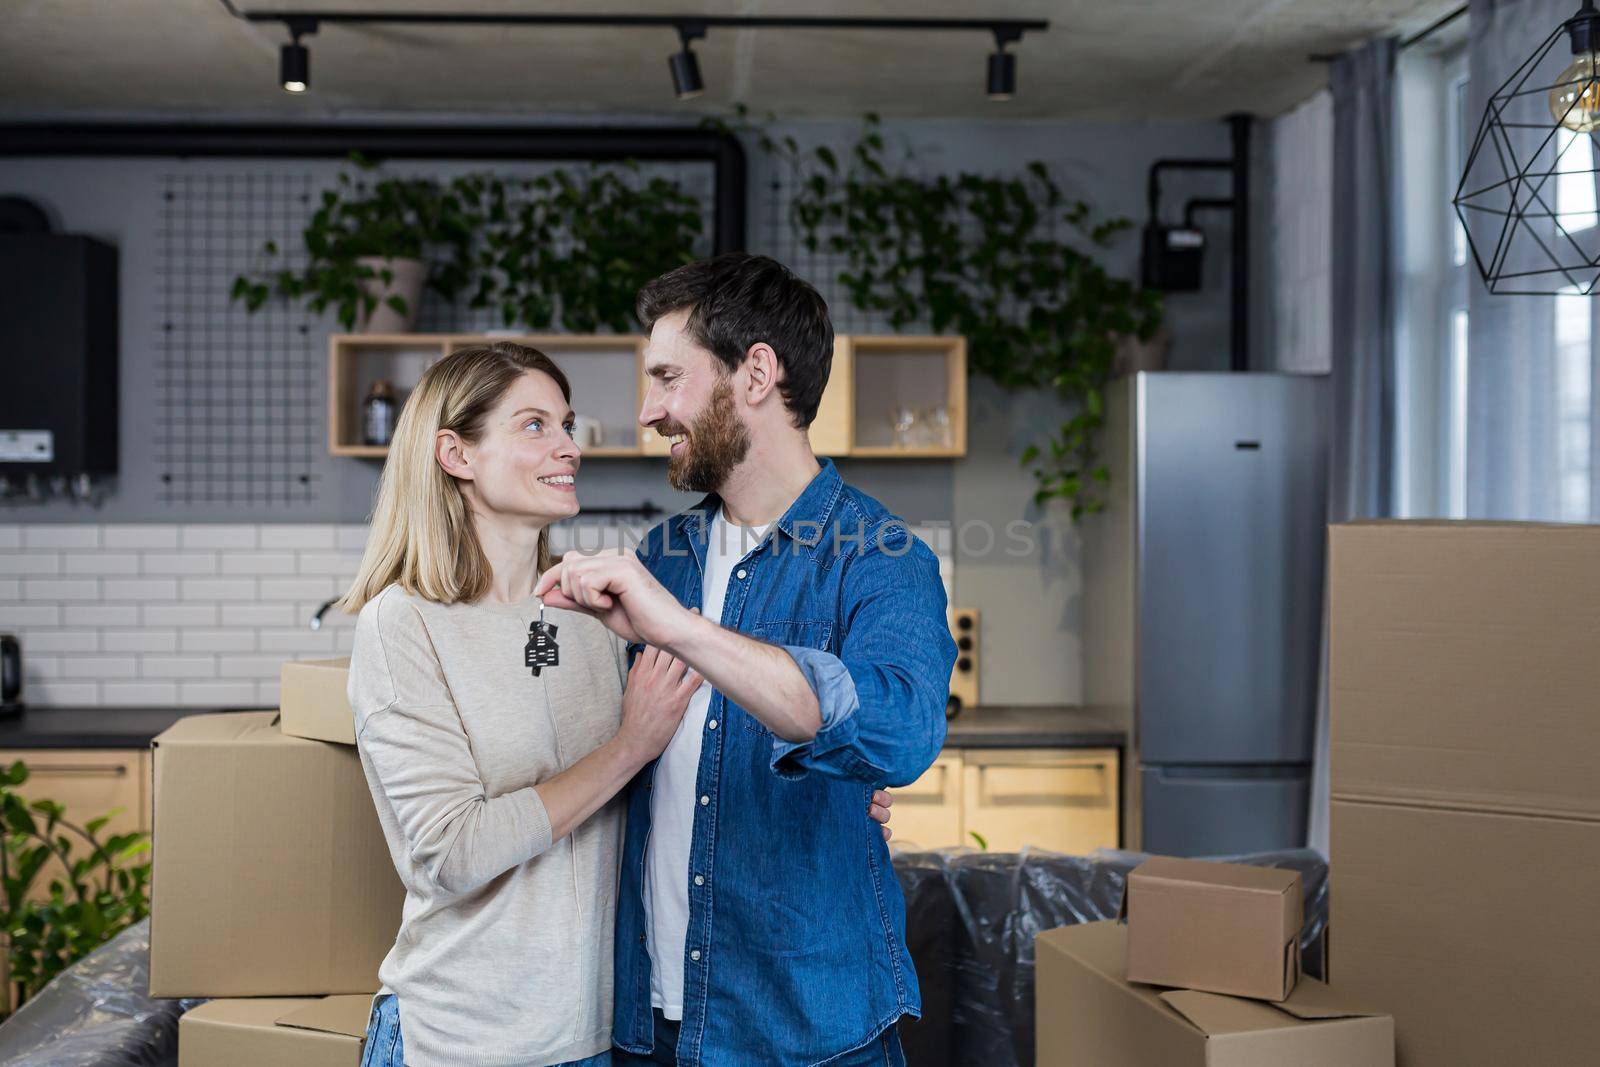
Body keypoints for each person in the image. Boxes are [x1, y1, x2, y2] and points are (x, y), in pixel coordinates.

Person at [338, 342, 895, 1067]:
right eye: (535, 426)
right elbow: (449, 850)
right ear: (456, 453)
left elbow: (674, 769)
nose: (570, 447)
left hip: (601, 1039)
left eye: (568, 425)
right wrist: (628, 746)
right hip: (464, 1038)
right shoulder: (404, 622)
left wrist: (824, 785)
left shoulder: (591, 614)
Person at [537, 253, 958, 1066]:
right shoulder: (664, 555)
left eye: (667, 377)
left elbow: (902, 732)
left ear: (756, 372)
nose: (649, 409)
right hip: (650, 1023)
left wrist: (682, 628)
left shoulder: (879, 557)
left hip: (806, 1031)